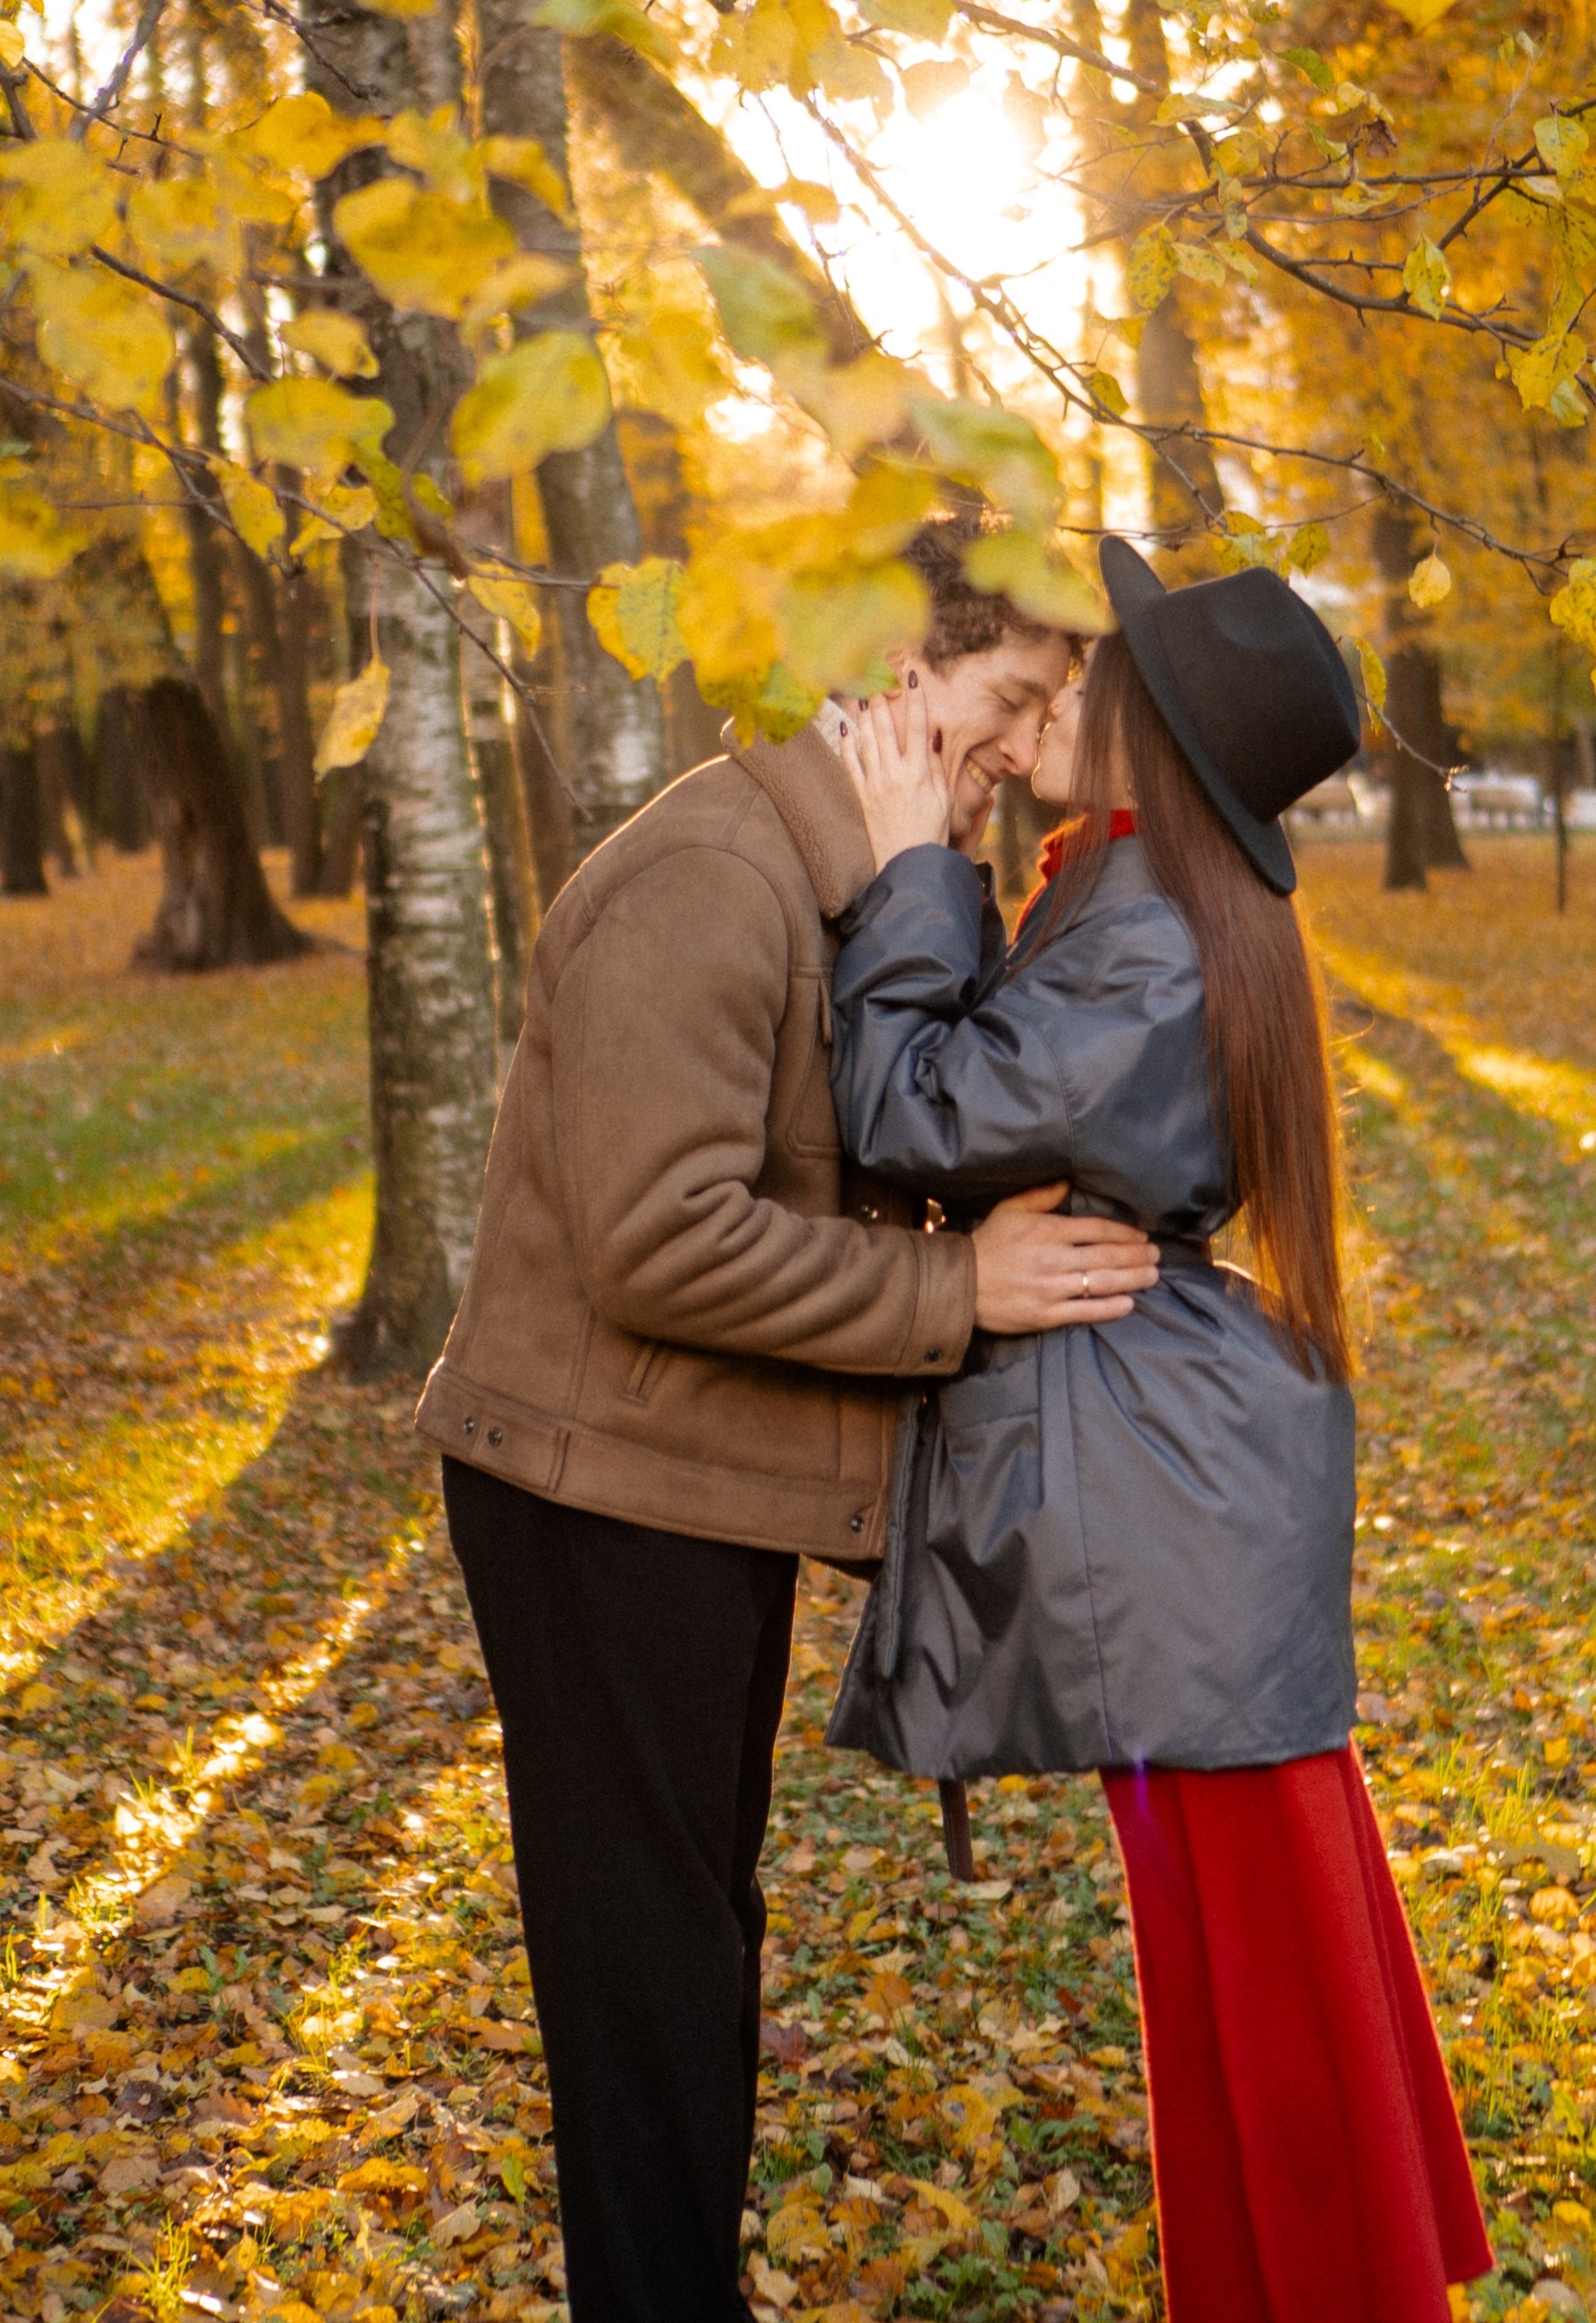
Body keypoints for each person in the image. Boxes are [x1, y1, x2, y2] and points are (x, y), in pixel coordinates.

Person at [416, 519, 1161, 2323]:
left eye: (1046, 710)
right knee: (646, 1972)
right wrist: (955, 1292)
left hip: (692, 1485)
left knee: (691, 1940)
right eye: (1008, 700)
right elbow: (660, 1240)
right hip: (593, 1498)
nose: (1025, 747)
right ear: (897, 675)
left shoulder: (864, 874)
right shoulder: (711, 872)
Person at [826, 534, 1492, 2323]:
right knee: (1235, 1957)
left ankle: (1344, 2291)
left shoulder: (1139, 932)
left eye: (1092, 673)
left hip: (1172, 1511)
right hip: (1178, 1487)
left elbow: (913, 1108)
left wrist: (909, 867)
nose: (1061, 686)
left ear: (1153, 735)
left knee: (1263, 1963)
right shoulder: (1120, 895)